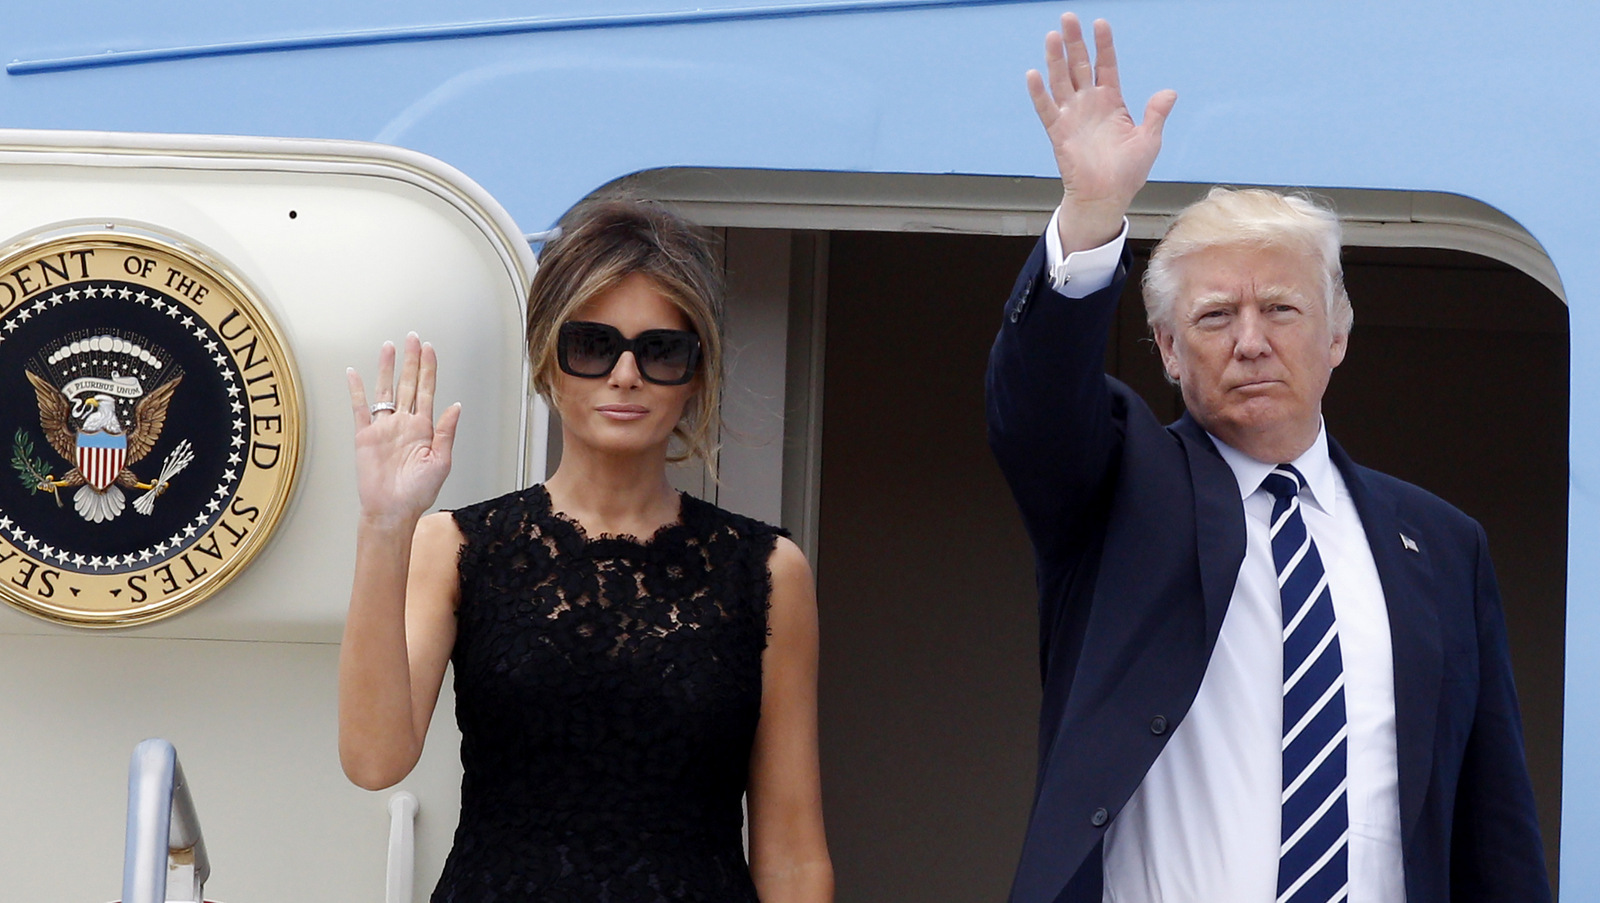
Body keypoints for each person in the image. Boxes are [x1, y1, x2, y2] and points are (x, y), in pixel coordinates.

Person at [986, 13, 1549, 903]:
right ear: (1168, 350)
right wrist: (1092, 217)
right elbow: (1037, 408)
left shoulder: (1441, 543)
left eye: (1281, 310)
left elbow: (1493, 831)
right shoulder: (1120, 487)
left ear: (1337, 336)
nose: (1250, 342)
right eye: (1214, 317)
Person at [337, 198, 834, 902]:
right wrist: (384, 524)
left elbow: (792, 853)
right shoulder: (452, 547)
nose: (625, 374)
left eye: (660, 350)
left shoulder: (767, 571)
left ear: (696, 373)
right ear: (549, 360)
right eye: (594, 345)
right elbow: (373, 757)